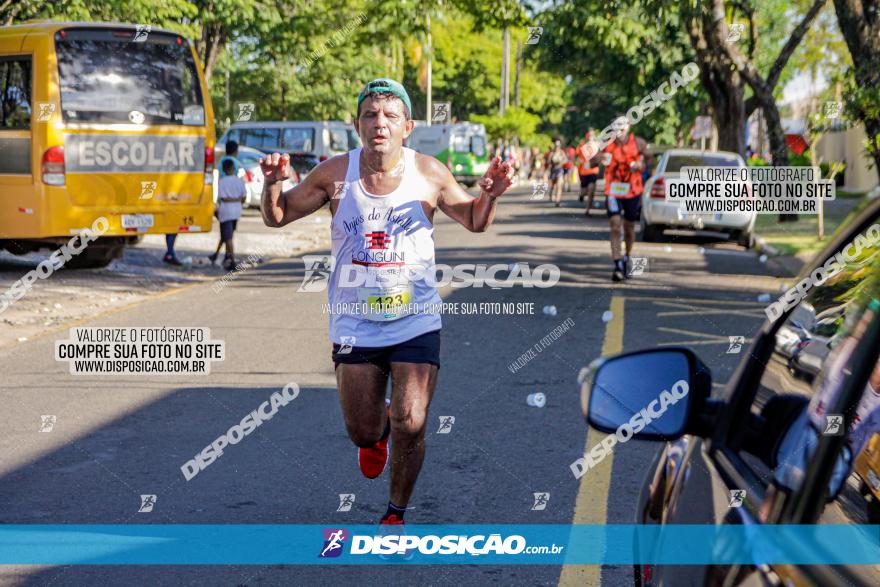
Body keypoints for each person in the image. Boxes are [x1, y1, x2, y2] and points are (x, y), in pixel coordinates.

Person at [259, 78, 514, 529]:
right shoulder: (334, 173)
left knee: (411, 420)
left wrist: (489, 196)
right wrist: (274, 186)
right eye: (371, 115)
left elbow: (474, 220)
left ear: (408, 125)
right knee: (362, 429)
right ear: (358, 125)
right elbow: (279, 216)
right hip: (355, 322)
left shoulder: (430, 173)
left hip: (415, 320)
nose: (380, 123)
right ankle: (374, 438)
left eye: (390, 116)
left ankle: (395, 512)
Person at [602, 115, 652, 281]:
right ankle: (617, 265)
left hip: (632, 190)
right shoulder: (607, 144)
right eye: (616, 127)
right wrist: (600, 159)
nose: (619, 131)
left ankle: (627, 256)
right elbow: (591, 161)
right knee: (615, 225)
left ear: (628, 127)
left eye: (622, 127)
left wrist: (640, 165)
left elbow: (649, 159)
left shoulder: (638, 143)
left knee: (629, 228)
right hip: (613, 191)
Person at [210, 158, 247, 270]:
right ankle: (216, 255)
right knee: (226, 235)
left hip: (225, 211)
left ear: (224, 170)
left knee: (228, 236)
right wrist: (237, 201)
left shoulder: (222, 181)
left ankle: (232, 260)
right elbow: (244, 197)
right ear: (233, 169)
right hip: (236, 211)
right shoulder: (239, 181)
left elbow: (221, 197)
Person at [576, 130, 601, 215]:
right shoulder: (581, 146)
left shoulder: (597, 146)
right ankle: (581, 195)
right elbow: (577, 158)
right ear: (586, 137)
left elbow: (601, 156)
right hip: (584, 172)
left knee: (591, 190)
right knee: (584, 191)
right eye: (589, 136)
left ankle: (588, 209)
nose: (591, 137)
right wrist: (580, 161)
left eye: (592, 136)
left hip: (593, 171)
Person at [548, 138, 567, 207]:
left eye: (558, 145)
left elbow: (565, 160)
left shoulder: (562, 152)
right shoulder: (552, 153)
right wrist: (553, 161)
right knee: (553, 185)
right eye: (556, 145)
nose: (557, 146)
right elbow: (548, 161)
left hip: (559, 170)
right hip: (553, 170)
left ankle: (557, 200)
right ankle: (551, 193)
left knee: (559, 186)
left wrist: (561, 161)